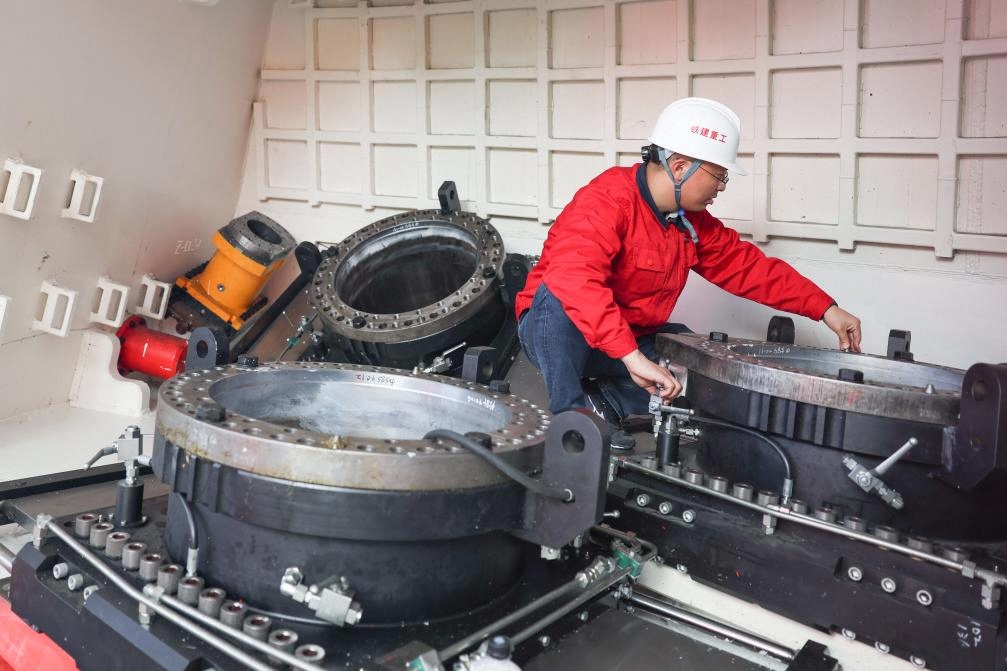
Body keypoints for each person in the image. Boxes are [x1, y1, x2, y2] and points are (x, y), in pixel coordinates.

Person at [515, 97, 862, 447]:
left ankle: (606, 401)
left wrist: (825, 308)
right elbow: (574, 280)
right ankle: (572, 422)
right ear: (680, 167)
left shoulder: (690, 223)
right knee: (561, 295)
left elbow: (748, 267)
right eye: (719, 175)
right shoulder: (606, 200)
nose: (722, 186)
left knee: (698, 362)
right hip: (559, 335)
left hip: (628, 340)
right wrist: (631, 357)